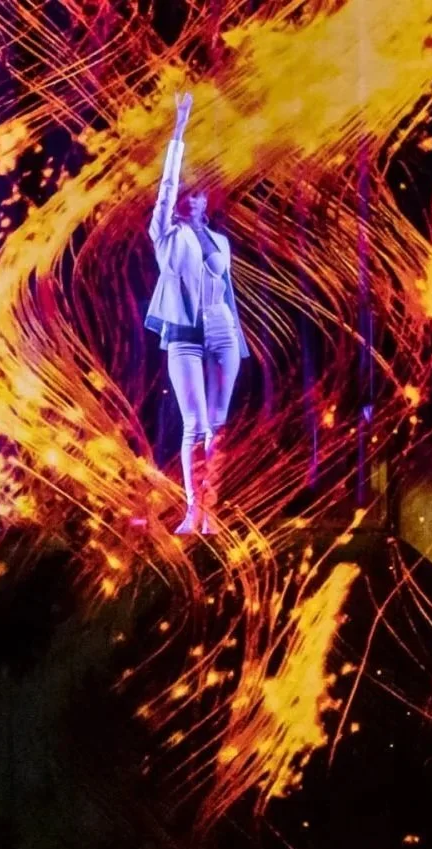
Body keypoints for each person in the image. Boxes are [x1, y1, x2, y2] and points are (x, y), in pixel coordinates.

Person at [144, 91, 250, 535]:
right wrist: (179, 130)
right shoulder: (165, 234)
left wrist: (238, 339)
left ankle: (212, 511)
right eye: (185, 195)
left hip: (221, 329)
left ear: (208, 202)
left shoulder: (219, 241)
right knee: (196, 424)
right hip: (184, 334)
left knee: (218, 427)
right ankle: (193, 510)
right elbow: (166, 188)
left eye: (198, 195)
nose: (191, 199)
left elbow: (223, 283)